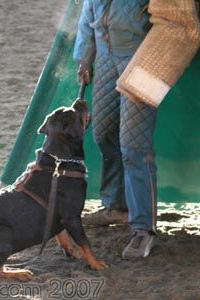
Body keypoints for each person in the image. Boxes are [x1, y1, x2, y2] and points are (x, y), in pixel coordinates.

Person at [73, 0, 157, 258]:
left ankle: (144, 228)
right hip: (106, 57)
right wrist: (85, 57)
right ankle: (117, 206)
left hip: (144, 60)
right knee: (103, 133)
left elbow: (174, 18)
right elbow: (89, 11)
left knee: (134, 146)